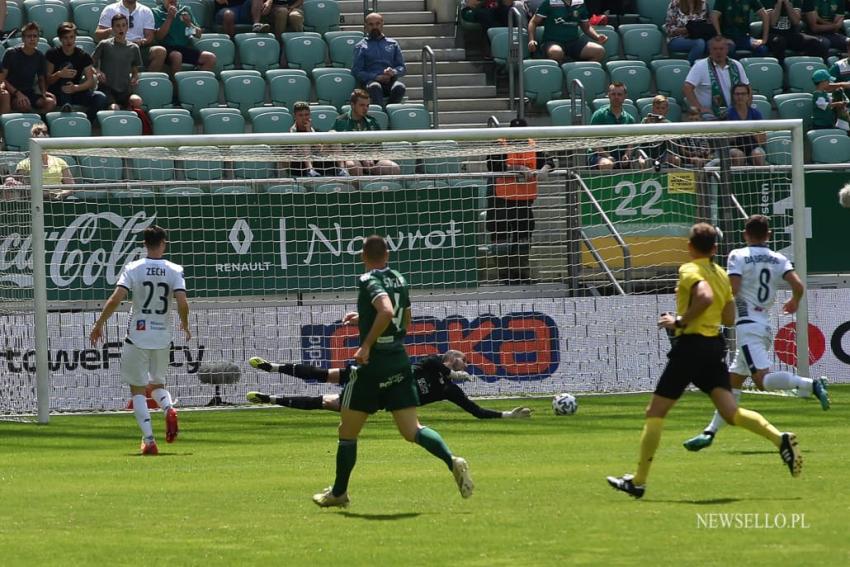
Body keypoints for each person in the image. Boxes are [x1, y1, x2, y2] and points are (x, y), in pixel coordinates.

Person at [607, 223, 802, 499]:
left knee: (655, 412)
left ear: (689, 246)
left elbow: (704, 296)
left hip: (690, 347)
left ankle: (638, 481)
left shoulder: (689, 269)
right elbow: (729, 317)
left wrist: (679, 320)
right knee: (730, 412)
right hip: (714, 347)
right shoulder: (722, 274)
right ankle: (779, 438)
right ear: (714, 248)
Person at [311, 235, 473, 507]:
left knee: (347, 432)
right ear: (387, 255)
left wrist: (366, 345)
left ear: (364, 257)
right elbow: (403, 316)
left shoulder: (367, 280)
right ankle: (452, 460)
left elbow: (386, 310)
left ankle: (339, 493)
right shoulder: (399, 278)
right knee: (412, 430)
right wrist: (365, 320)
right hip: (398, 358)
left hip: (373, 364)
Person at [682, 215, 830, 452]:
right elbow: (799, 286)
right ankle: (709, 433)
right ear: (769, 235)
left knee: (762, 381)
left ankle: (811, 385)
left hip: (748, 326)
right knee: (732, 384)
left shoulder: (737, 255)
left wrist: (714, 303)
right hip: (763, 323)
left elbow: (734, 288)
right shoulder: (778, 258)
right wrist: (794, 301)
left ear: (745, 234)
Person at [89, 225, 190, 456]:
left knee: (137, 389)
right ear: (163, 243)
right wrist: (185, 324)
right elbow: (183, 303)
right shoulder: (174, 269)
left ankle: (150, 440)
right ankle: (168, 408)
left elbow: (116, 299)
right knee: (157, 384)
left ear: (144, 244)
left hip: (138, 334)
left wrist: (99, 324)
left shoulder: (133, 268)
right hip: (163, 336)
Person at [246, 350, 533, 419]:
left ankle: (270, 399)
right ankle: (274, 367)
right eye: (464, 362)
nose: (467, 365)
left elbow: (476, 411)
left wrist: (508, 414)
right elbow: (431, 366)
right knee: (325, 374)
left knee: (325, 402)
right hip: (377, 378)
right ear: (453, 360)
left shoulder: (450, 391)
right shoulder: (433, 363)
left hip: (378, 401)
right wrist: (454, 374)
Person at [487, 117, 553, 284]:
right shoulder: (501, 144)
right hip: (501, 198)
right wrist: (517, 168)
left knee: (523, 235)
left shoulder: (533, 144)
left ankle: (521, 273)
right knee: (500, 235)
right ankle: (504, 274)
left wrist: (545, 169)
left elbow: (549, 160)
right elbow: (493, 164)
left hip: (524, 200)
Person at [46, 22, 108, 120]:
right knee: (67, 66)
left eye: (71, 37)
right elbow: (47, 80)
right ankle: (66, 105)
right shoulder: (52, 53)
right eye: (65, 38)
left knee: (101, 97)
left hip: (75, 91)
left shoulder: (83, 56)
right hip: (57, 92)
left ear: (75, 37)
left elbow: (90, 81)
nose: (69, 41)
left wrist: (75, 88)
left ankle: (85, 121)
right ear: (60, 39)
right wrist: (59, 74)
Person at [332, 89, 401, 177]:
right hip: (351, 158)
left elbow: (378, 146)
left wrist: (371, 157)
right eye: (362, 105)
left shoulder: (372, 121)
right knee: (353, 167)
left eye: (367, 105)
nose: (365, 108)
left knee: (394, 168)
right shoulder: (341, 122)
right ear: (352, 105)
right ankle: (357, 191)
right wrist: (361, 157)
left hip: (372, 159)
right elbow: (338, 148)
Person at [683, 35, 750, 119]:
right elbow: (687, 87)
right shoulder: (700, 66)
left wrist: (747, 107)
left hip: (734, 113)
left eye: (721, 49)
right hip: (709, 114)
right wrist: (699, 108)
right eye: (715, 49)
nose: (718, 52)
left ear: (727, 49)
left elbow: (747, 87)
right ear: (710, 50)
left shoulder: (737, 65)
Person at [3, 123, 75, 200]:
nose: (42, 147)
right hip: (35, 200)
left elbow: (70, 186)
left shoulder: (60, 161)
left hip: (60, 200)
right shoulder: (23, 164)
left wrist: (62, 194)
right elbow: (23, 188)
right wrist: (12, 181)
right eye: (39, 144)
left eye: (44, 143)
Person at [0, 22, 57, 114]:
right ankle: (34, 116)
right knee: (24, 105)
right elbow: (3, 79)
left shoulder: (39, 56)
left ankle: (37, 117)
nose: (32, 39)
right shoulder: (11, 54)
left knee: (50, 103)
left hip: (29, 92)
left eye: (35, 36)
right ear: (23, 38)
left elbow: (41, 78)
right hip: (12, 93)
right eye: (29, 36)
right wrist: (17, 93)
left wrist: (43, 93)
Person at [351, 13, 406, 107]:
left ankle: (388, 112)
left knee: (400, 87)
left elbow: (402, 67)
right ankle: (380, 115)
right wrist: (376, 77)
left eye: (377, 24)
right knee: (375, 86)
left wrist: (393, 72)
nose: (374, 27)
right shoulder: (361, 46)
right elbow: (356, 71)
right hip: (371, 83)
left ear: (382, 24)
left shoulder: (393, 44)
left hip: (390, 81)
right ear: (366, 26)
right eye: (371, 24)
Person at [527, 0, 607, 64]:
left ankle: (578, 73)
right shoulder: (549, 2)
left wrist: (597, 37)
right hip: (552, 41)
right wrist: (531, 40)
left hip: (574, 42)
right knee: (556, 52)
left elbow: (586, 27)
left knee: (599, 51)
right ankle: (559, 77)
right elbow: (533, 22)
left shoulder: (580, 3)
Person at [95, 0, 166, 71]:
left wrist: (142, 42)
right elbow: (98, 34)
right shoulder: (110, 9)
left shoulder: (146, 11)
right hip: (116, 46)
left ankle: (148, 81)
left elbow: (149, 36)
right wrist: (111, 31)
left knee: (160, 51)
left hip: (138, 48)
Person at [92, 14, 144, 110]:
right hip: (107, 88)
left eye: (124, 25)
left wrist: (134, 77)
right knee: (114, 108)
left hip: (125, 90)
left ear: (127, 27)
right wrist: (98, 72)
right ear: (112, 28)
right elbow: (91, 63)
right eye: (118, 26)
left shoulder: (134, 48)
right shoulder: (104, 44)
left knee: (137, 101)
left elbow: (135, 69)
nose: (121, 28)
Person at [151, 0, 216, 76]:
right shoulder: (156, 12)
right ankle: (177, 87)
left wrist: (189, 23)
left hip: (184, 47)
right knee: (177, 56)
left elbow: (198, 35)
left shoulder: (185, 10)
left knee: (210, 58)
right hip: (166, 48)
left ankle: (193, 83)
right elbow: (159, 37)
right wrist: (169, 18)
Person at [287, 101, 346, 177]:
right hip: (300, 164)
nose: (304, 118)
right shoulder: (289, 134)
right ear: (295, 116)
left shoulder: (315, 131)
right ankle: (310, 170)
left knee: (333, 133)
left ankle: (342, 169)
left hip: (318, 159)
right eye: (300, 115)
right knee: (304, 139)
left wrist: (309, 131)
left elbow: (319, 148)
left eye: (306, 115)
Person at [589, 82, 639, 170]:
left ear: (624, 96)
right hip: (599, 155)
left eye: (619, 94)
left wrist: (627, 155)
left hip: (620, 157)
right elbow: (593, 142)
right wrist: (607, 156)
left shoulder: (629, 119)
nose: (616, 97)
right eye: (613, 94)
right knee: (607, 164)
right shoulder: (599, 115)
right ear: (609, 95)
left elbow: (631, 143)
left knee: (642, 163)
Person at [725, 83, 767, 167]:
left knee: (758, 155)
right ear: (733, 96)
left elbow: (762, 140)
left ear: (748, 96)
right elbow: (726, 140)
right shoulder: (727, 114)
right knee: (738, 155)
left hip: (752, 146)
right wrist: (748, 130)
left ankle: (761, 179)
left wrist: (740, 130)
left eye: (743, 94)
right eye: (737, 94)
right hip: (733, 147)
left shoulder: (756, 114)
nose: (740, 96)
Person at [664, 0, 711, 64]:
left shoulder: (703, 4)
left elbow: (706, 25)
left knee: (714, 44)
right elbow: (668, 28)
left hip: (699, 36)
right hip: (677, 38)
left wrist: (692, 29)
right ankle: (690, 70)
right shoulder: (675, 4)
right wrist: (686, 30)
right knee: (699, 43)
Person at [640, 95, 676, 168]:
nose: (660, 110)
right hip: (646, 153)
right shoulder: (645, 121)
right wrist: (647, 126)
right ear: (653, 109)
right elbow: (640, 140)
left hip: (663, 155)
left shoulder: (669, 124)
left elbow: (673, 145)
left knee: (676, 160)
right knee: (642, 162)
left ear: (667, 110)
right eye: (657, 108)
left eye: (662, 108)